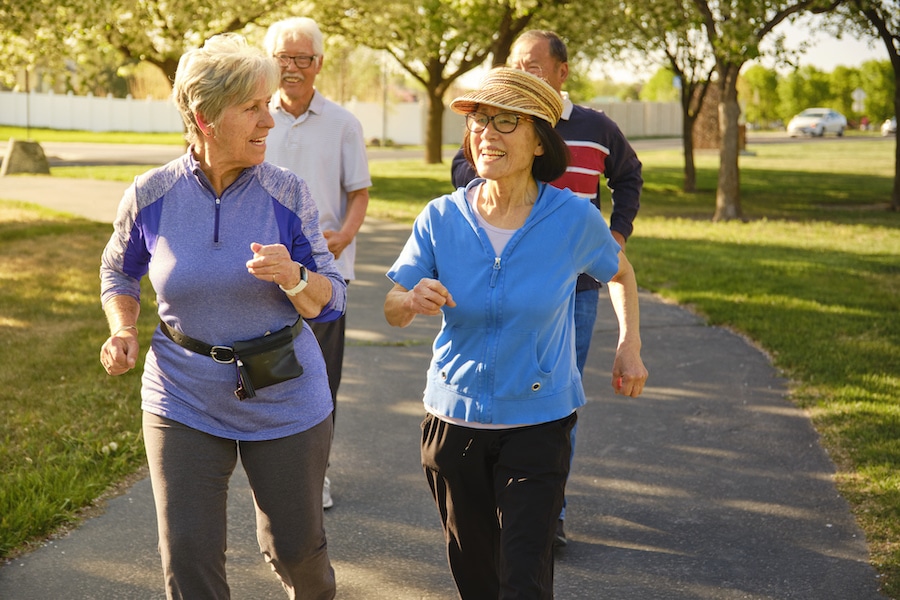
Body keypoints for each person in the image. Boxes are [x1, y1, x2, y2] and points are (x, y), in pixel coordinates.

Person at [385, 67, 648, 599]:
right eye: (480, 120)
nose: (487, 133)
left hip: (538, 421)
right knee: (477, 576)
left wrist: (629, 345)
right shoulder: (441, 217)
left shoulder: (572, 217)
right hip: (453, 422)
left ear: (538, 141)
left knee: (524, 578)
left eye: (506, 122)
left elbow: (619, 271)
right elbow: (392, 305)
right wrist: (411, 301)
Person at [98, 33, 345, 600]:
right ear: (206, 118)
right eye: (253, 108)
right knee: (188, 555)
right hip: (181, 392)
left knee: (297, 552)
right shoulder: (150, 193)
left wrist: (296, 278)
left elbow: (334, 298)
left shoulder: (287, 194)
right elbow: (118, 272)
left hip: (283, 391)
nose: (270, 120)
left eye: (269, 105)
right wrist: (123, 329)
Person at [451, 29, 644, 546]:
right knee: (497, 378)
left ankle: (544, 510)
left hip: (577, 284)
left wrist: (616, 233)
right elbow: (463, 166)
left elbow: (629, 179)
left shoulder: (596, 128)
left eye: (534, 65)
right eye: (516, 62)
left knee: (554, 394)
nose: (523, 71)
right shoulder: (491, 125)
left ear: (561, 72)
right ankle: (501, 499)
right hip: (505, 275)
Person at [263, 17, 372, 509]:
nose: (291, 68)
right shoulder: (254, 113)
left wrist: (344, 237)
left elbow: (359, 193)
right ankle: (271, 470)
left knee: (321, 379)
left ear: (319, 64)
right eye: (283, 58)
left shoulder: (343, 124)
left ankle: (315, 476)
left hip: (324, 274)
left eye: (301, 58)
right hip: (262, 269)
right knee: (263, 375)